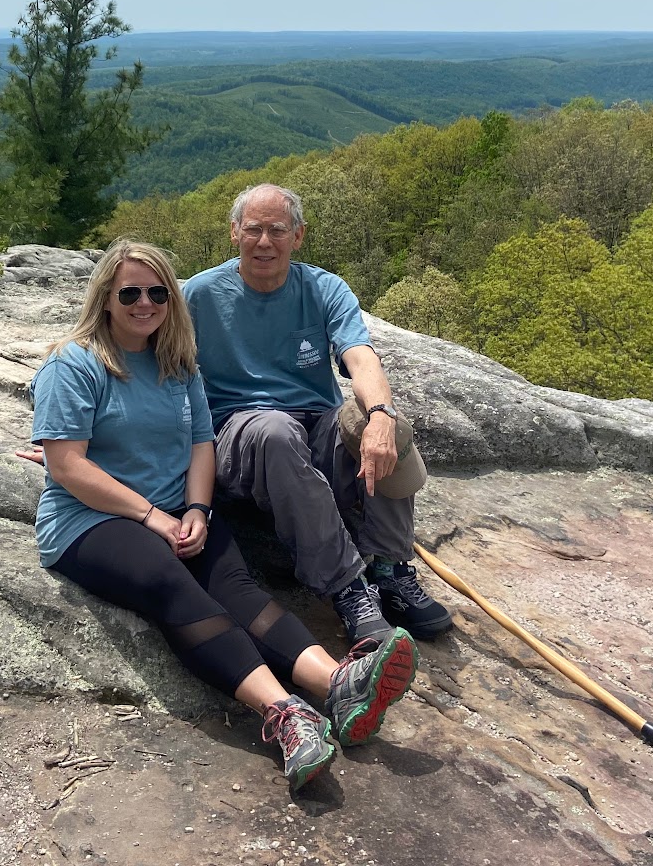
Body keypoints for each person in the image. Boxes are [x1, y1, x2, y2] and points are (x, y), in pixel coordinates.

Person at [30, 240, 417, 791]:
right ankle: (285, 712)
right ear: (105, 298)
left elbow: (201, 444)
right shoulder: (74, 363)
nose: (145, 303)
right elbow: (67, 465)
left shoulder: (177, 363)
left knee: (238, 588)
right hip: (89, 519)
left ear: (172, 298)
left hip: (176, 509)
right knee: (168, 583)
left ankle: (339, 685)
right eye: (130, 293)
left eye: (158, 292)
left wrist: (196, 508)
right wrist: (151, 517)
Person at [183, 184, 454, 646]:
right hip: (240, 430)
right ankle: (348, 588)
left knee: (380, 425)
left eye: (277, 230)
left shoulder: (324, 288)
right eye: (253, 230)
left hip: (314, 423)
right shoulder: (200, 294)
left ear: (298, 235)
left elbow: (360, 357)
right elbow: (156, 365)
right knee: (275, 431)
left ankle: (389, 568)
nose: (264, 242)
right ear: (234, 232)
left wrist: (382, 416)